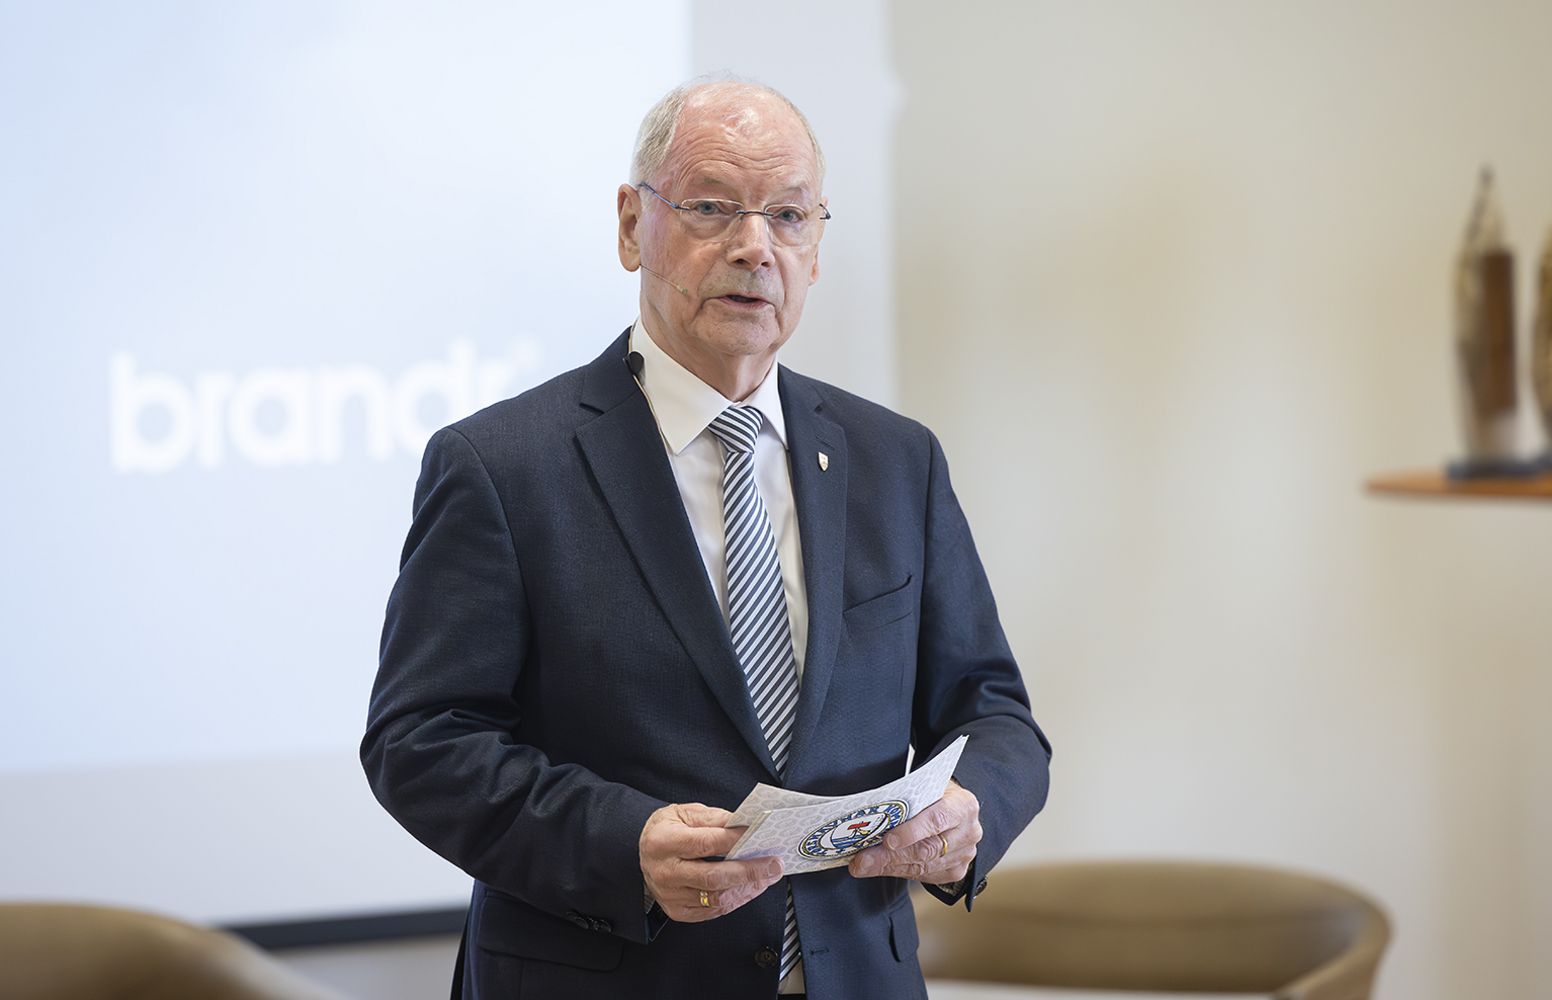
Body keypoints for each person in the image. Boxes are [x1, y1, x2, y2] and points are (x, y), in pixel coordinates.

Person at [361, 79, 1050, 1000]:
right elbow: (419, 742)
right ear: (630, 226)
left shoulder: (895, 460)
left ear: (815, 248)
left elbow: (994, 713)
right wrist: (622, 842)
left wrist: (972, 812)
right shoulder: (501, 465)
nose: (754, 247)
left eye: (788, 216)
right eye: (712, 207)